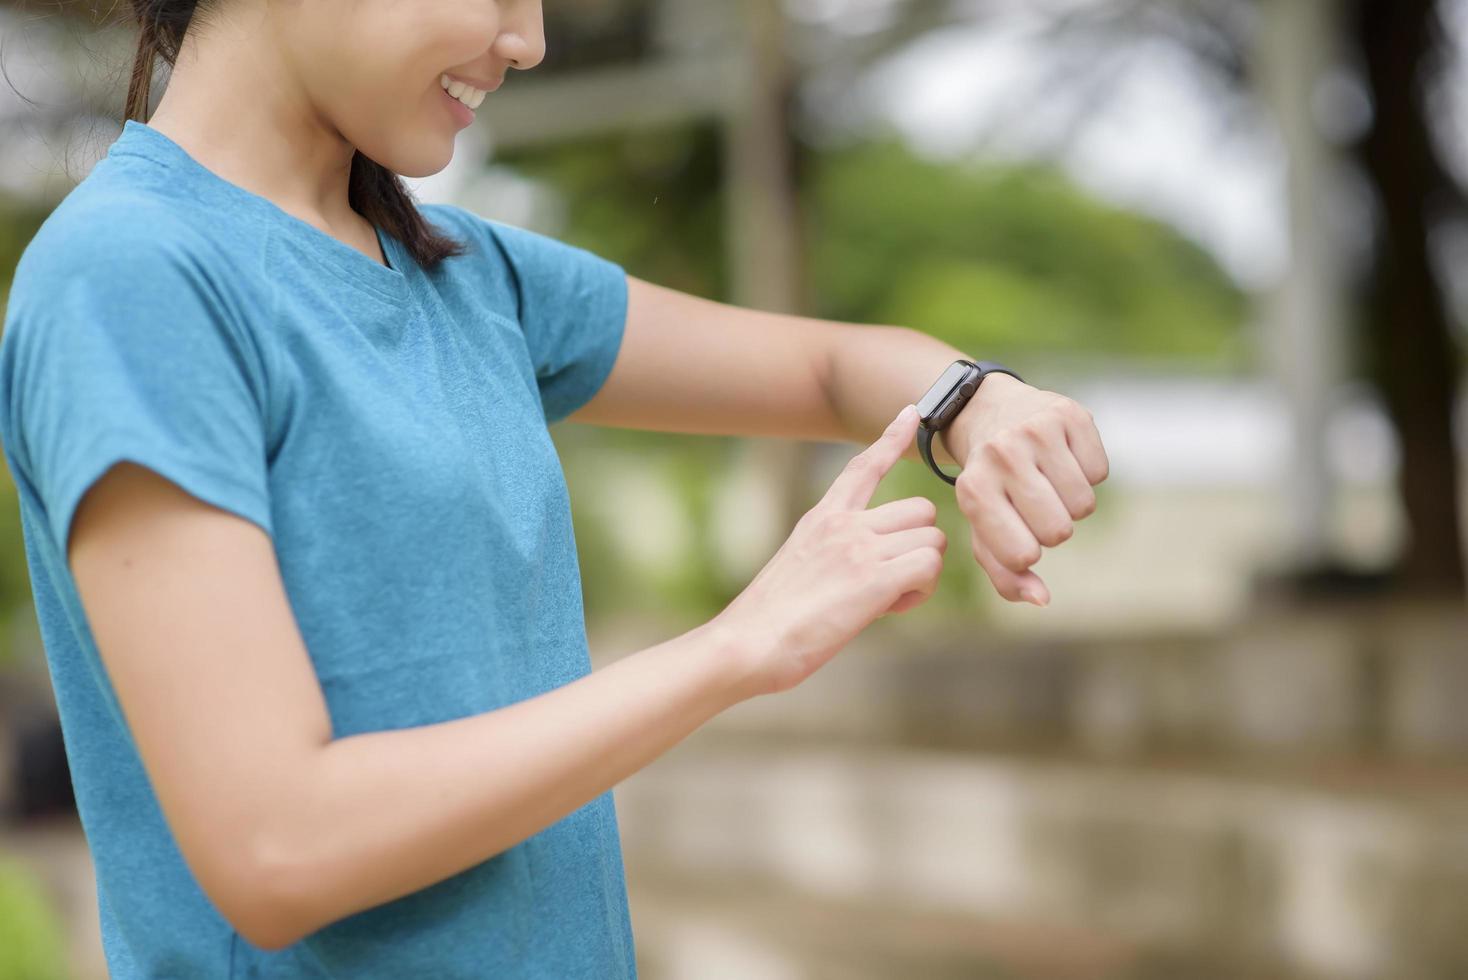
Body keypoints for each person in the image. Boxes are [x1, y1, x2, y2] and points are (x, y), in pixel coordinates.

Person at [0, 0, 1109, 976]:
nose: (526, 39)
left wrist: (978, 403)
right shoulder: (132, 274)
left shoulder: (461, 271)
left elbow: (823, 367)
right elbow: (278, 847)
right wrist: (734, 646)